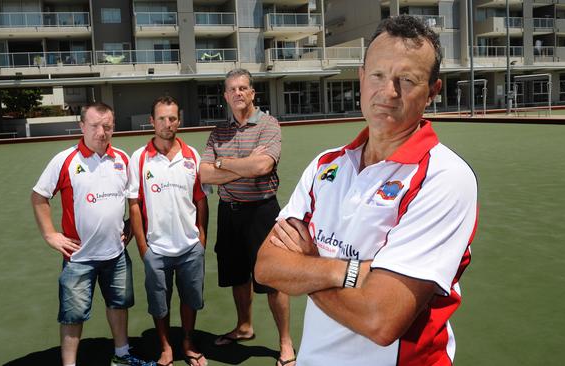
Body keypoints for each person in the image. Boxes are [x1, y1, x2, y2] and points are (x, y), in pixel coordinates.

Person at [255, 15, 478, 366]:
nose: (388, 92)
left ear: (433, 92)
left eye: (407, 80)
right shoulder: (325, 166)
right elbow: (267, 266)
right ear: (360, 77)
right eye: (377, 75)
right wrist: (347, 271)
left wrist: (304, 264)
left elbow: (380, 320)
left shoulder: (444, 177)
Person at [31, 102, 153, 366]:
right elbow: (39, 196)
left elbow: (135, 199)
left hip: (116, 254)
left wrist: (131, 225)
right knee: (72, 316)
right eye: (95, 125)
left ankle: (122, 355)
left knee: (119, 305)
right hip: (79, 257)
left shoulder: (122, 159)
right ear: (82, 126)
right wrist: (50, 234)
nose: (101, 132)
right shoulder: (65, 160)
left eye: (107, 126)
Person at [200, 68, 295, 366]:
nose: (238, 93)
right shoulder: (218, 131)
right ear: (226, 96)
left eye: (243, 88)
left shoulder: (269, 125)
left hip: (262, 213)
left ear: (253, 93)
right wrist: (244, 164)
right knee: (238, 275)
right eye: (232, 89)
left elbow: (262, 167)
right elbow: (204, 173)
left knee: (272, 279)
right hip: (229, 213)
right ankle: (244, 326)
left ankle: (285, 342)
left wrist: (223, 163)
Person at [128, 96, 209, 366]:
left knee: (190, 299)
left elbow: (201, 199)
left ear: (179, 120)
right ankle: (165, 347)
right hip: (156, 248)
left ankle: (187, 341)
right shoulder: (139, 158)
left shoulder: (192, 156)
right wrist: (142, 247)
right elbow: (135, 205)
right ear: (152, 122)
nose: (167, 124)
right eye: (161, 118)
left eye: (172, 118)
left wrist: (201, 235)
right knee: (159, 303)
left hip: (189, 247)